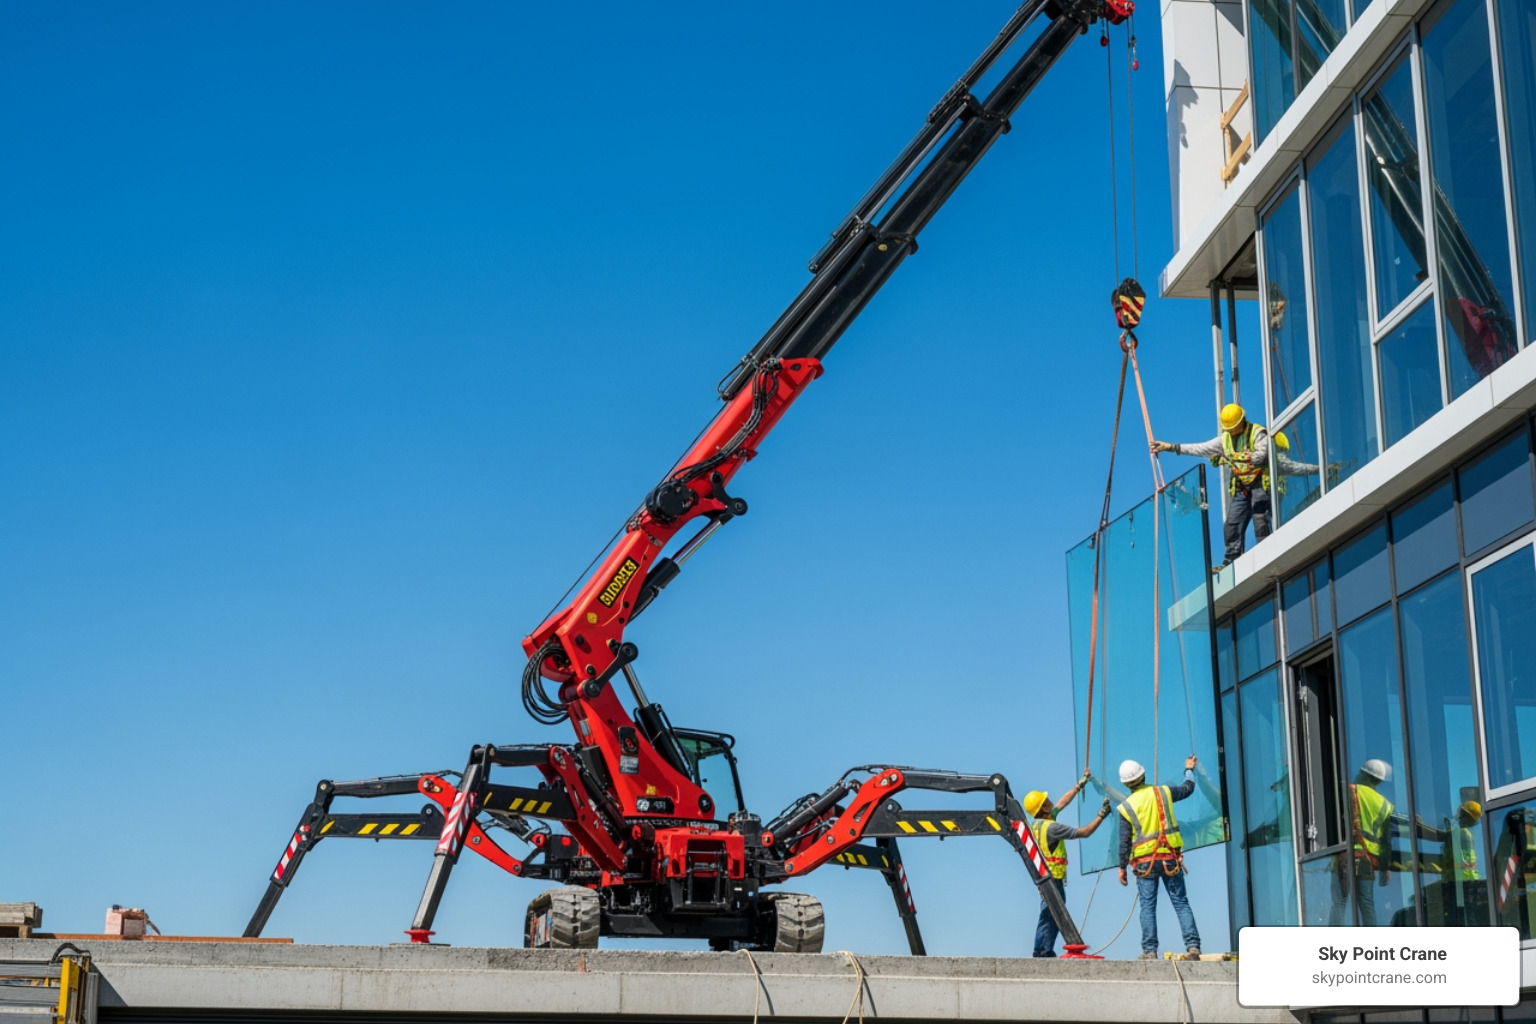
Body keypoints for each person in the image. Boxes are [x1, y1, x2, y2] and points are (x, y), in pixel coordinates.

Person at [1150, 404, 1272, 570]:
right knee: (1232, 525)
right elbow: (1201, 448)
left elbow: (1261, 455)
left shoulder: (1257, 433)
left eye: (1233, 428)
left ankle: (1268, 553)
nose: (1230, 431)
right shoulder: (1226, 439)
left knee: (1260, 519)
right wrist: (1171, 447)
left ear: (1241, 422)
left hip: (1260, 484)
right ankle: (1231, 561)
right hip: (1242, 487)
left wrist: (1235, 457)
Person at [1117, 756, 1202, 960]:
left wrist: (1122, 867)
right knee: (1180, 902)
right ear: (1143, 775)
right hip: (1169, 857)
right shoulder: (1162, 792)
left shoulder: (1126, 806)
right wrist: (1189, 769)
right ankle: (1193, 947)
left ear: (1126, 784)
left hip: (1144, 864)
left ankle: (1149, 951)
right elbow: (1188, 788)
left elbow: (1124, 842)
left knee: (1147, 906)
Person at [1024, 770, 1112, 957]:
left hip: (1044, 877)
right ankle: (1041, 951)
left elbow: (1062, 803)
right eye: (1046, 802)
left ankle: (1044, 950)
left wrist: (1079, 786)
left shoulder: (1038, 824)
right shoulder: (1052, 827)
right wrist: (1102, 815)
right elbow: (1085, 832)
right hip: (1052, 877)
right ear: (1044, 809)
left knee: (1051, 914)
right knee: (1050, 915)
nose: (1051, 802)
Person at [1331, 759, 1396, 927]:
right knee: (1367, 903)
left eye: (1360, 773)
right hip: (1368, 860)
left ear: (1364, 775)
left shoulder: (1351, 791)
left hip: (1346, 855)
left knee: (1339, 901)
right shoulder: (1386, 805)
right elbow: (1385, 840)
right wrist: (1385, 867)